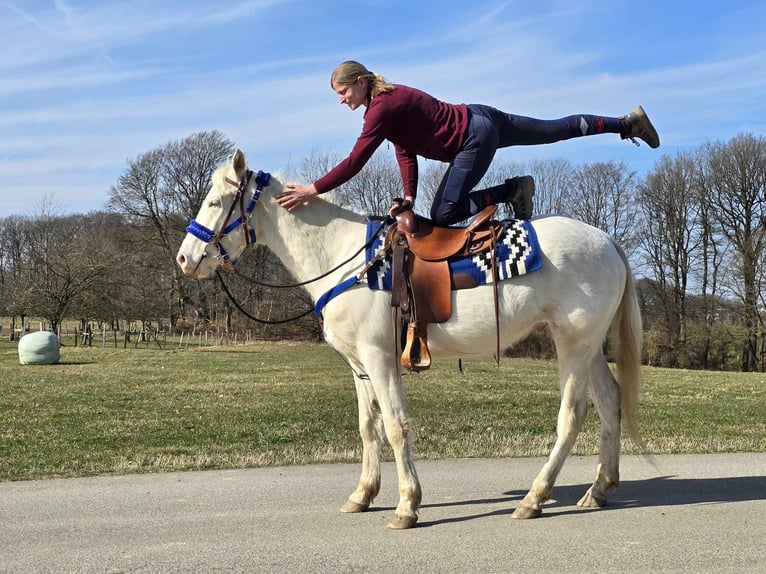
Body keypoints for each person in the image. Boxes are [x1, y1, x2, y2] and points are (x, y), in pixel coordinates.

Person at [276, 60, 660, 226]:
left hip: (472, 139)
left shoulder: (381, 107)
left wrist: (313, 189)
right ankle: (625, 123)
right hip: (482, 118)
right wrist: (409, 197)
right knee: (551, 130)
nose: (342, 99)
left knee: (444, 213)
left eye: (343, 91)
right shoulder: (387, 104)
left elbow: (355, 161)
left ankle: (513, 189)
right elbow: (404, 150)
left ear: (360, 81)